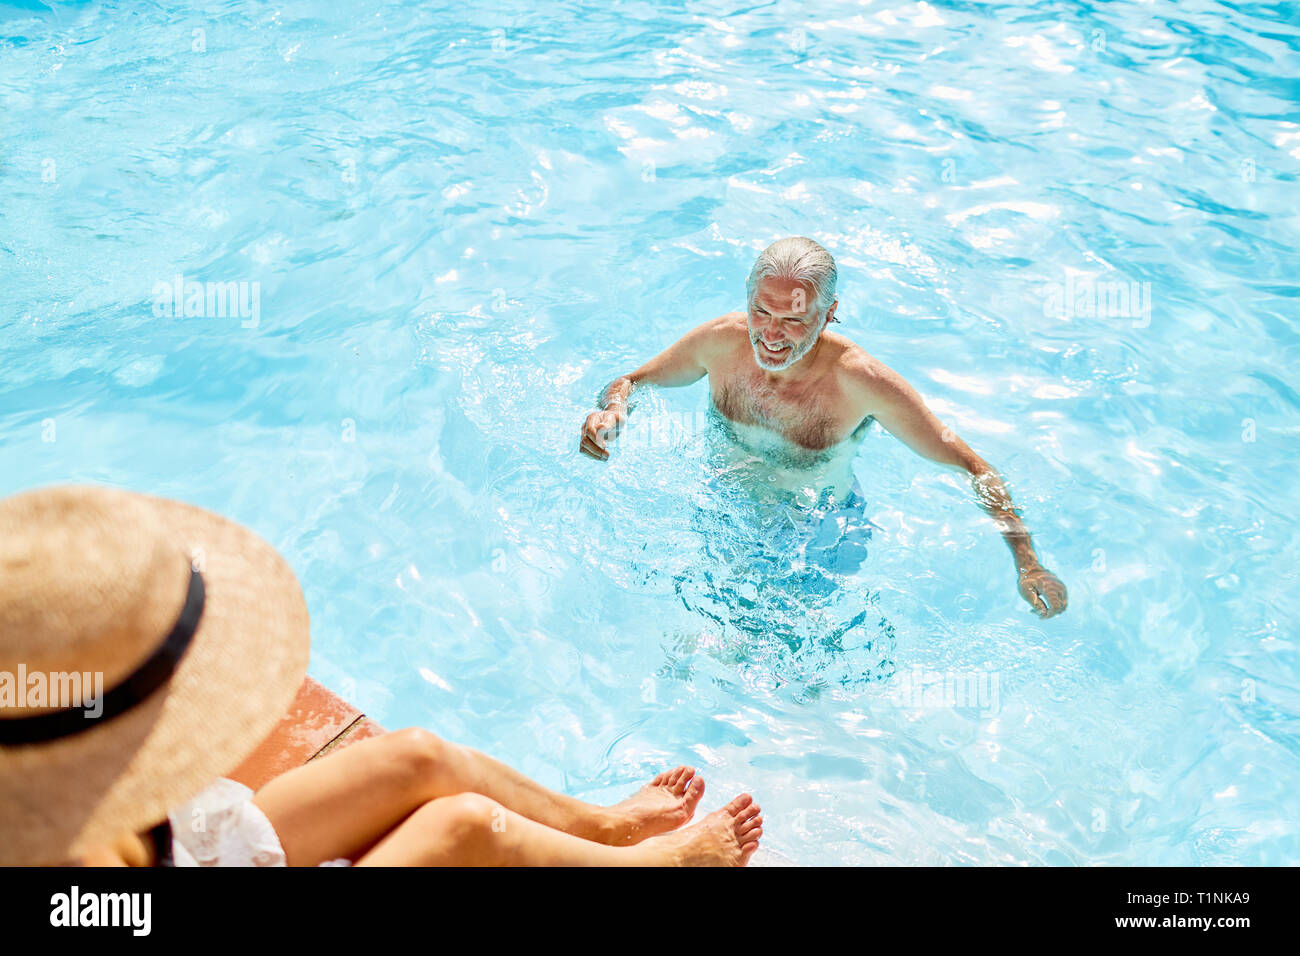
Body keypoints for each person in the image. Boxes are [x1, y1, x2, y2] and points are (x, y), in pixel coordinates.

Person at [0, 485, 762, 866]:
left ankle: (606, 828)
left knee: (420, 757)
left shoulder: (45, 762)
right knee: (460, 825)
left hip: (192, 844)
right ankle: (655, 866)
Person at [579, 236, 1068, 619]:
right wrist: (613, 412)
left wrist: (1027, 562)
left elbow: (973, 467)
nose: (770, 335)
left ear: (829, 315)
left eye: (794, 319)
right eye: (761, 311)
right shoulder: (719, 343)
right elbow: (630, 381)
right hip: (721, 510)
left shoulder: (861, 383)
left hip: (816, 534)